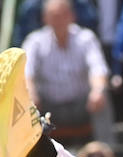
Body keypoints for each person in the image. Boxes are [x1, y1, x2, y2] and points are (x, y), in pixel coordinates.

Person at [21, 0, 112, 144]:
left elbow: (98, 69)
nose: (58, 20)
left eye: (62, 15)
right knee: (25, 102)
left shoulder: (86, 38)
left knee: (102, 97)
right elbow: (26, 73)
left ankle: (106, 152)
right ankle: (31, 155)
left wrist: (97, 90)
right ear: (45, 18)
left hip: (82, 105)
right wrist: (31, 94)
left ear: (72, 16)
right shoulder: (35, 41)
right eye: (53, 16)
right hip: (48, 106)